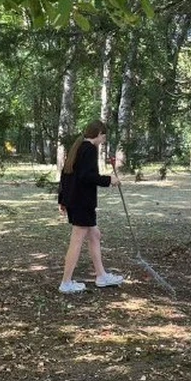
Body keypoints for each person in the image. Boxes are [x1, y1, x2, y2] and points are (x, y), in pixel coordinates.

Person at [57, 120, 124, 294]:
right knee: (77, 240)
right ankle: (66, 282)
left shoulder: (79, 147)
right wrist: (109, 180)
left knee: (95, 235)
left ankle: (101, 276)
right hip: (81, 202)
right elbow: (87, 177)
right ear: (98, 133)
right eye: (104, 135)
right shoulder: (89, 149)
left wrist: (62, 199)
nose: (104, 139)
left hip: (77, 201)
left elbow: (66, 174)